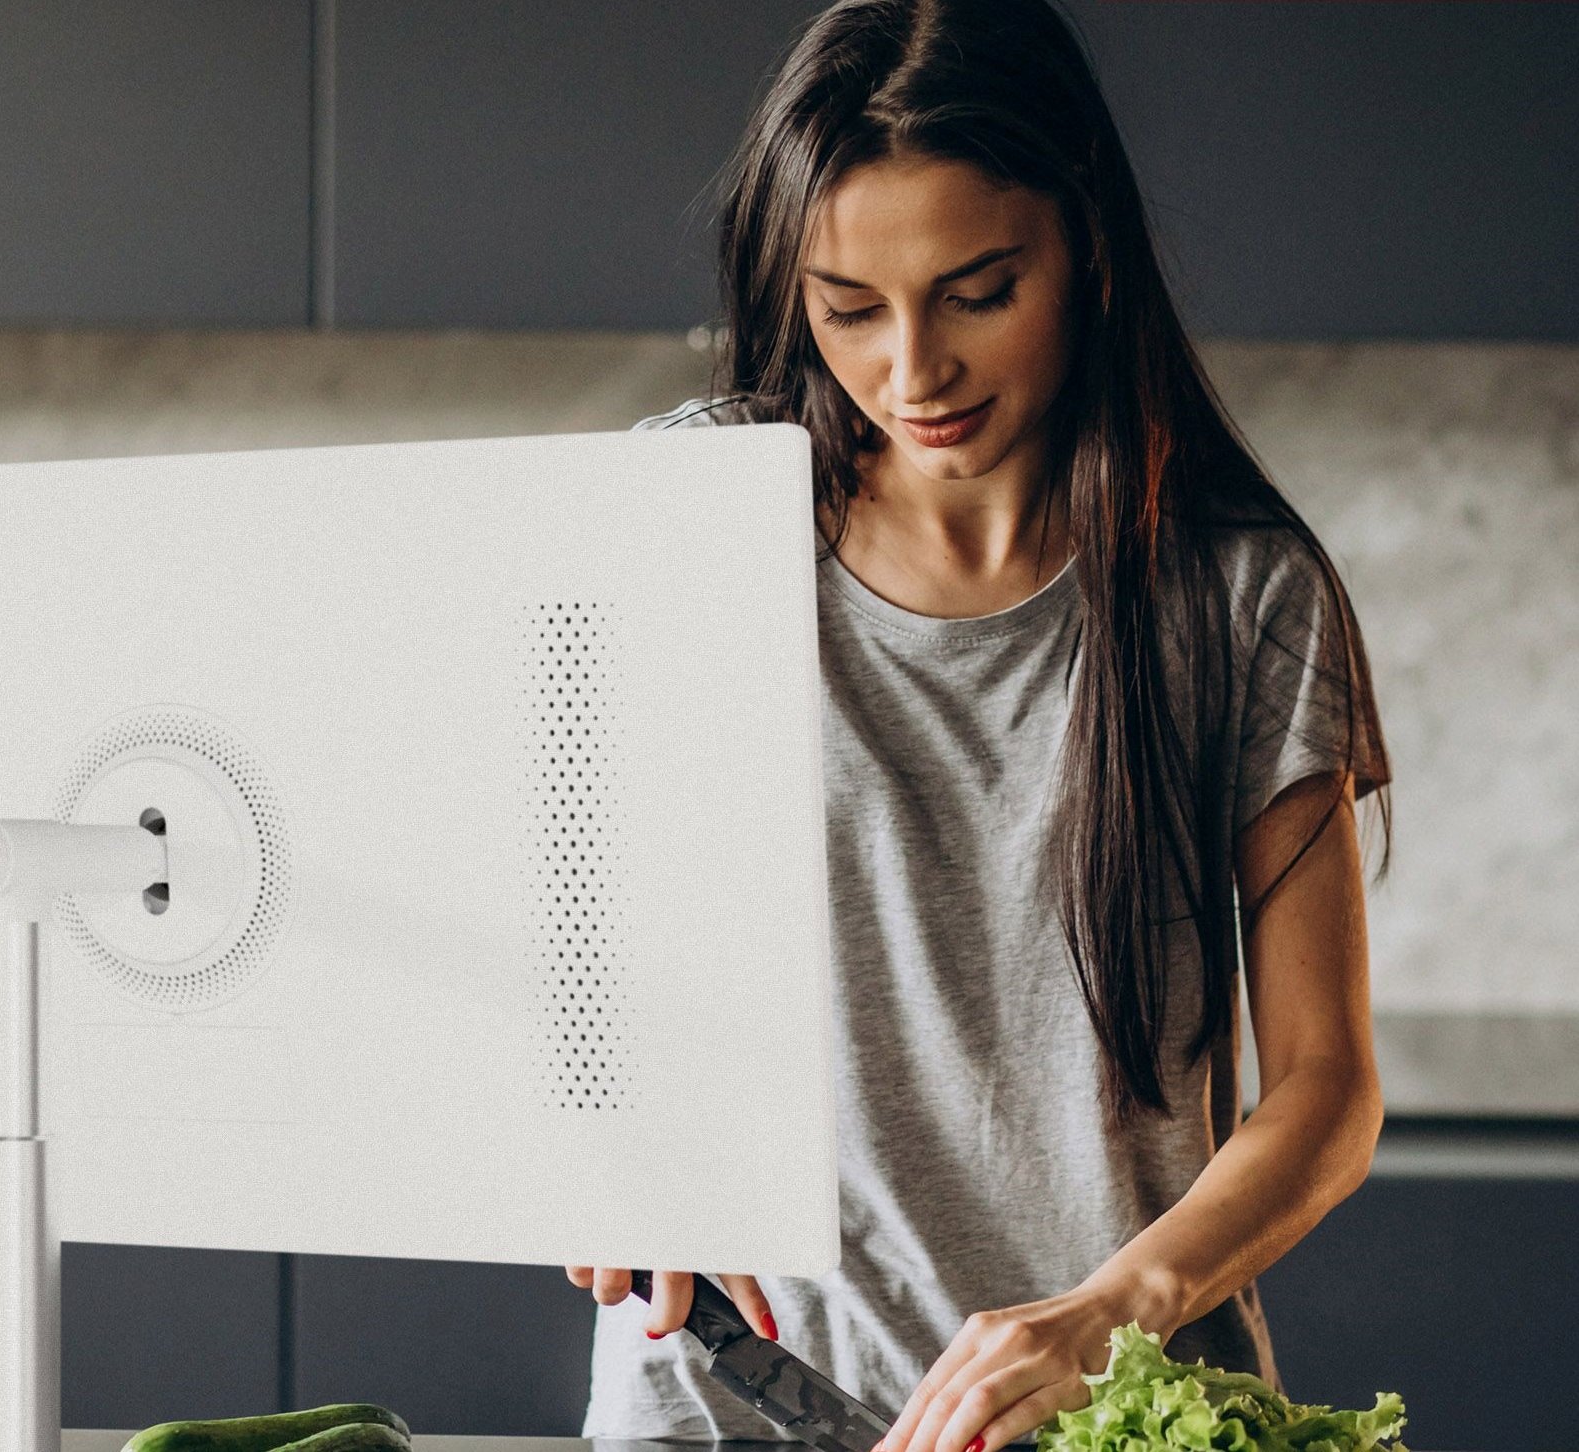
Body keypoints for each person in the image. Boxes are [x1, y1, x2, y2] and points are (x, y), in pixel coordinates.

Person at [566, 2, 1393, 1450]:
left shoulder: (1241, 592)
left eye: (977, 292)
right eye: (849, 309)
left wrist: (1106, 1314)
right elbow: (544, 926)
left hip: (1110, 1410)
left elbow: (1325, 1091)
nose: (913, 373)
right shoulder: (688, 519)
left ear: (1088, 253)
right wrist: (585, 1146)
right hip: (723, 1397)